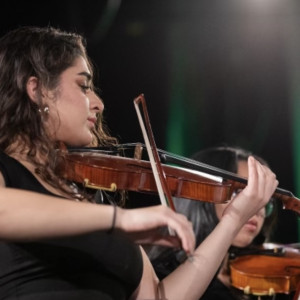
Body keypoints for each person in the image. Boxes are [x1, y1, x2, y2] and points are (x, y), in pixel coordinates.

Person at [0, 26, 278, 300]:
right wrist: (121, 220)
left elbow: (160, 297)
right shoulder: (7, 169)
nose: (98, 103)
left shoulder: (93, 197)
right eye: (83, 86)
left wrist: (233, 220)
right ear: (37, 90)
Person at [149, 146, 294, 300]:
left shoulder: (261, 281)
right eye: (241, 192)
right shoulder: (160, 278)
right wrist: (234, 217)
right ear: (201, 194)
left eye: (263, 199)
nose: (258, 208)